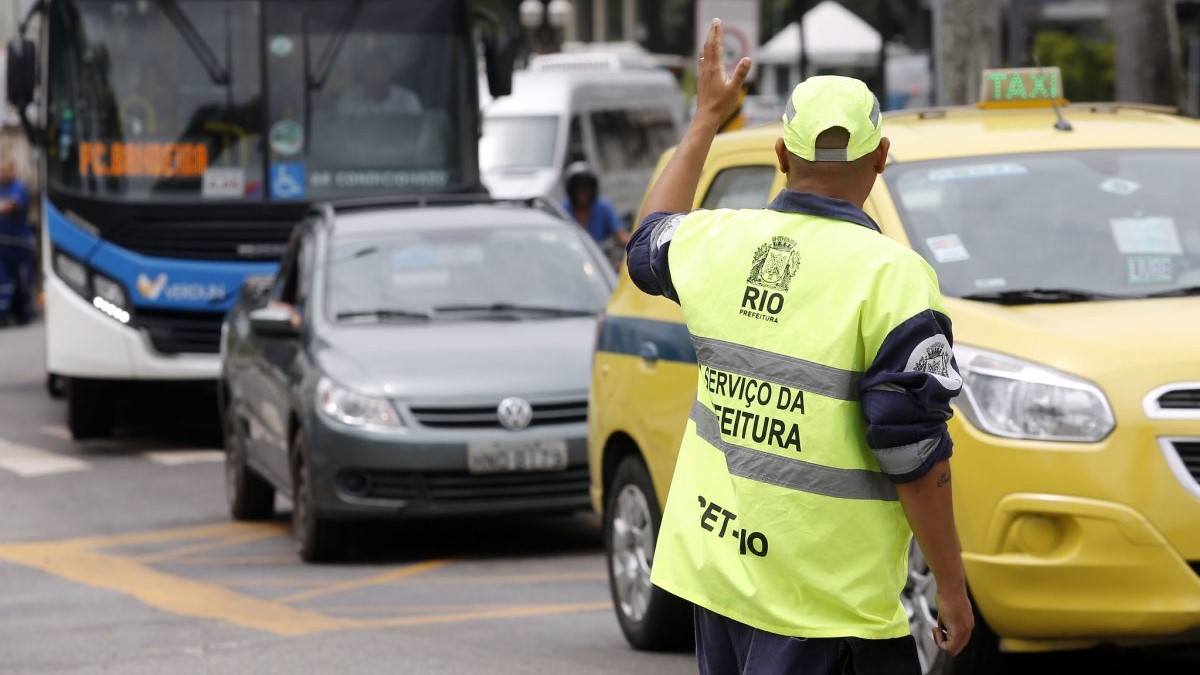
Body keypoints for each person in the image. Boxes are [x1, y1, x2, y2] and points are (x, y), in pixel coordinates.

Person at [626, 19, 973, 674]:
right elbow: (912, 452)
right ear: (882, 157)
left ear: (781, 158)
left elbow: (646, 243)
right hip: (828, 608)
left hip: (721, 581)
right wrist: (951, 588)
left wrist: (706, 119)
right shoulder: (893, 278)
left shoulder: (715, 243)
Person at [561, 162, 629, 248]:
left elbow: (621, 235)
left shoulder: (603, 207)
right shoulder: (562, 211)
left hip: (601, 258)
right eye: (579, 189)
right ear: (571, 191)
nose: (583, 194)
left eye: (586, 189)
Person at [0, 159, 32, 326]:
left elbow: (11, 206)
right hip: (1, 245)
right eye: (1, 170)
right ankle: (3, 314)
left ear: (12, 171)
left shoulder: (18, 187)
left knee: (21, 280)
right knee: (2, 280)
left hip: (18, 245)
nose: (3, 173)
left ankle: (23, 314)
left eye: (6, 170)